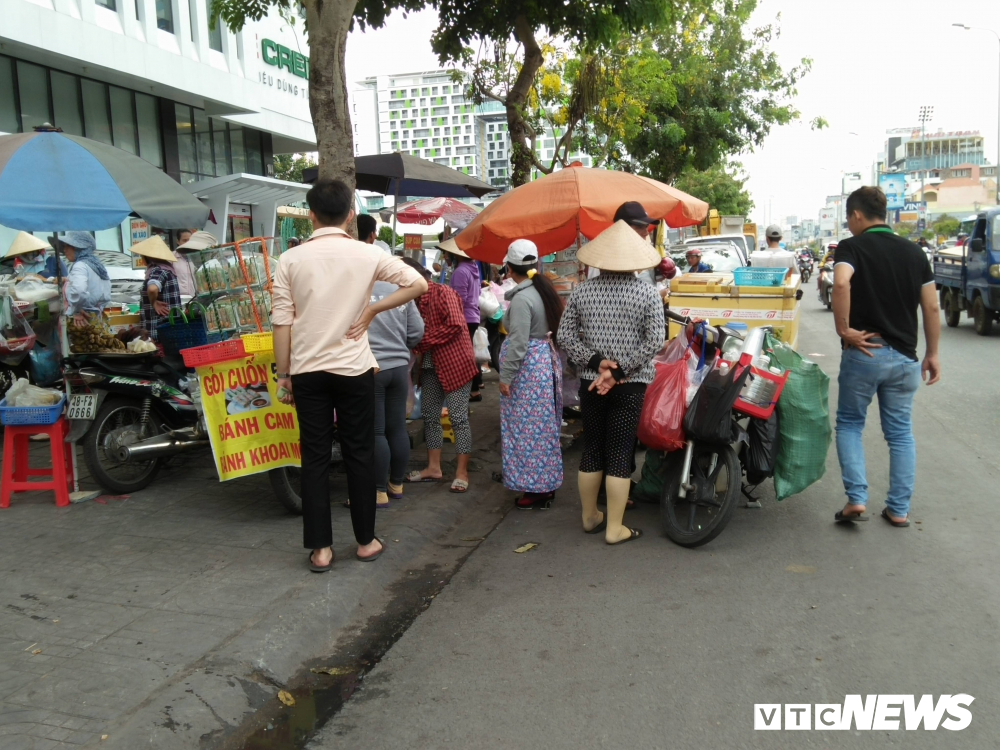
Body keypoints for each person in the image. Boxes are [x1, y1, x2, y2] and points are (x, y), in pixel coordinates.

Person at [271, 179, 427, 573]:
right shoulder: (366, 253)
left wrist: (283, 374)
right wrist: (373, 310)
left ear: (310, 215)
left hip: (307, 371)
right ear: (350, 215)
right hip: (355, 370)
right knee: (360, 453)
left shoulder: (289, 260)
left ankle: (321, 549)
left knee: (315, 457)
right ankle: (365, 541)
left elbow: (281, 324)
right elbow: (419, 283)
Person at [832, 186, 941, 528]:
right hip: (906, 358)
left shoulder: (852, 247)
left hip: (865, 353)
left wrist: (843, 329)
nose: (849, 224)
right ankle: (898, 509)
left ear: (857, 215)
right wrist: (933, 353)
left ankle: (857, 499)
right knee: (900, 434)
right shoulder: (914, 253)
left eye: (849, 218)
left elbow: (840, 284)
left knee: (850, 424)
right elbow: (932, 306)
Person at [557, 221, 665, 545]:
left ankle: (590, 516)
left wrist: (597, 363)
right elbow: (655, 340)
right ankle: (615, 528)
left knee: (592, 448)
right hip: (630, 386)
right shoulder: (646, 292)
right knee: (620, 450)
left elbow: (564, 337)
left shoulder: (582, 291)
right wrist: (619, 372)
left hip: (591, 384)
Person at [402, 257, 479, 493]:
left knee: (458, 418)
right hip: (428, 365)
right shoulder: (408, 301)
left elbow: (456, 325)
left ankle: (461, 472)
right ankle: (433, 468)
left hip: (455, 362)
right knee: (430, 416)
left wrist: (420, 341)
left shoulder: (443, 292)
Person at [498, 239, 565, 509]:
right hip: (541, 366)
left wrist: (505, 377)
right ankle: (542, 485)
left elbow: (518, 343)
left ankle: (537, 489)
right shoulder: (542, 290)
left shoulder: (524, 297)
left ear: (509, 269)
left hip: (527, 372)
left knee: (527, 432)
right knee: (542, 429)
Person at [367, 266, 425, 508]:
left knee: (376, 431)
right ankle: (396, 484)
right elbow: (418, 332)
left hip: (370, 369)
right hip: (399, 369)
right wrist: (400, 346)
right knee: (398, 428)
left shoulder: (358, 290)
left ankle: (379, 491)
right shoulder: (402, 292)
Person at [445, 243, 484, 401]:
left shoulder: (461, 271)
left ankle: (471, 390)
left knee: (463, 356)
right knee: (467, 354)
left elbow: (459, 299)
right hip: (472, 316)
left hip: (464, 317)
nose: (447, 256)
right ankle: (474, 389)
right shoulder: (473, 268)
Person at [132, 236, 181, 340]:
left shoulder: (158, 270)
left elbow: (152, 289)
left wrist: (153, 302)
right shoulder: (167, 269)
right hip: (169, 330)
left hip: (158, 331)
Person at [60, 232, 111, 328]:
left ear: (78, 248)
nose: (64, 250)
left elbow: (79, 291)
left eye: (68, 246)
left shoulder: (80, 265)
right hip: (95, 317)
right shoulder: (96, 265)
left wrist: (77, 310)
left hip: (81, 321)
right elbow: (105, 294)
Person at [171, 228, 198, 298]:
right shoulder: (171, 258)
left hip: (194, 298)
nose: (187, 243)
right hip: (177, 298)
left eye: (189, 240)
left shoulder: (196, 258)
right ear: (178, 241)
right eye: (184, 240)